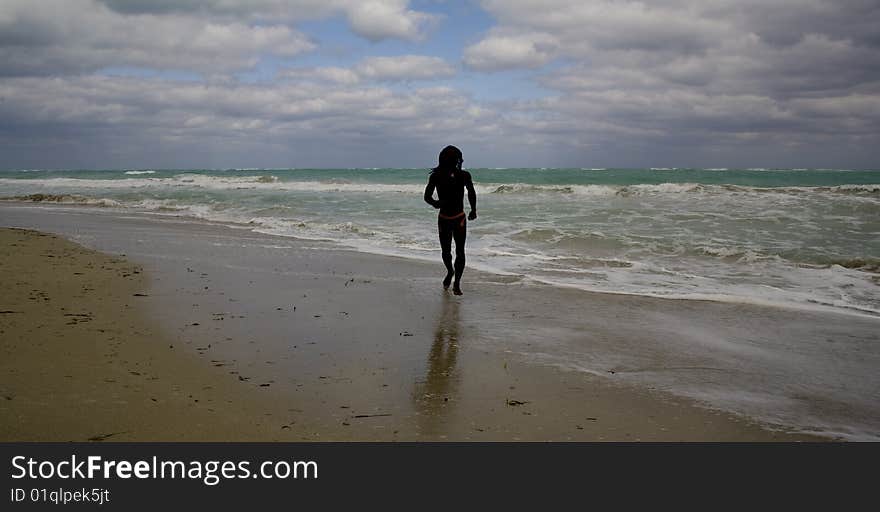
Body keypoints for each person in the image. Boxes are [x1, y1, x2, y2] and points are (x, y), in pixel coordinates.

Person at [423, 145, 477, 295]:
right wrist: (436, 204)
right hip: (444, 219)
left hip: (459, 218)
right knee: (446, 252)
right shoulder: (436, 176)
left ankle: (457, 283)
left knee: (460, 252)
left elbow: (471, 192)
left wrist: (473, 209)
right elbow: (427, 196)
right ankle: (450, 271)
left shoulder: (464, 175)